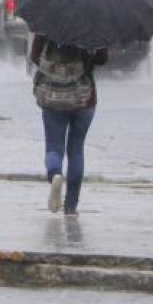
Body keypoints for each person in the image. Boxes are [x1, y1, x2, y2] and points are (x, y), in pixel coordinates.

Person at [30, 34, 108, 215]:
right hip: (84, 98)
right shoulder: (93, 24)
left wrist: (55, 68)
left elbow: (35, 56)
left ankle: (55, 174)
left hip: (52, 96)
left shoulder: (47, 22)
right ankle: (71, 205)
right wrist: (86, 61)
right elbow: (102, 59)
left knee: (54, 147)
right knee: (76, 150)